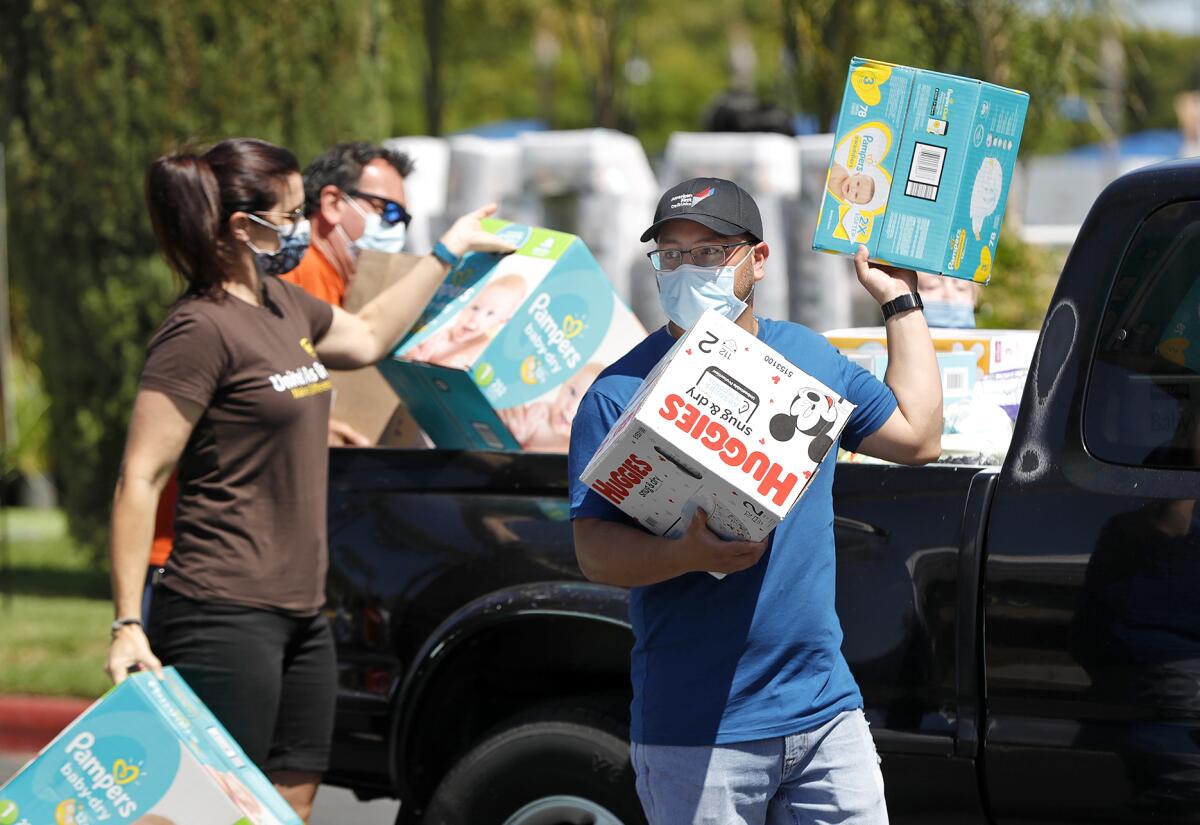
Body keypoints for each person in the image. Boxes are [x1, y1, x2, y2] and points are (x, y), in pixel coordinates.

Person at [104, 137, 514, 822]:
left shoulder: (281, 305)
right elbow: (139, 479)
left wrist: (447, 252)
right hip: (222, 607)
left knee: (286, 803)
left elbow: (368, 337)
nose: (300, 228)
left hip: (302, 611)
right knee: (205, 807)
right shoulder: (198, 330)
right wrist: (125, 621)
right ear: (243, 225)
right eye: (290, 214)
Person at [568, 177, 942, 824]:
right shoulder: (619, 390)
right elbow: (595, 553)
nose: (688, 269)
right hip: (698, 728)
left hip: (825, 712)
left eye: (710, 252)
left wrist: (900, 300)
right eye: (672, 255)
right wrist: (685, 553)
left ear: (758, 260)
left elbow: (919, 436)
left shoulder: (807, 356)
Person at [403, 273, 527, 368]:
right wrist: (414, 355)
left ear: (502, 321)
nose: (475, 318)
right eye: (475, 307)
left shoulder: (483, 348)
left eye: (490, 314)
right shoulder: (438, 333)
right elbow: (408, 351)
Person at [497, 362, 605, 452]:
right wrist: (517, 430)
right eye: (572, 392)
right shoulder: (540, 413)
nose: (571, 407)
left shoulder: (575, 449)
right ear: (563, 384)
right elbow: (516, 435)